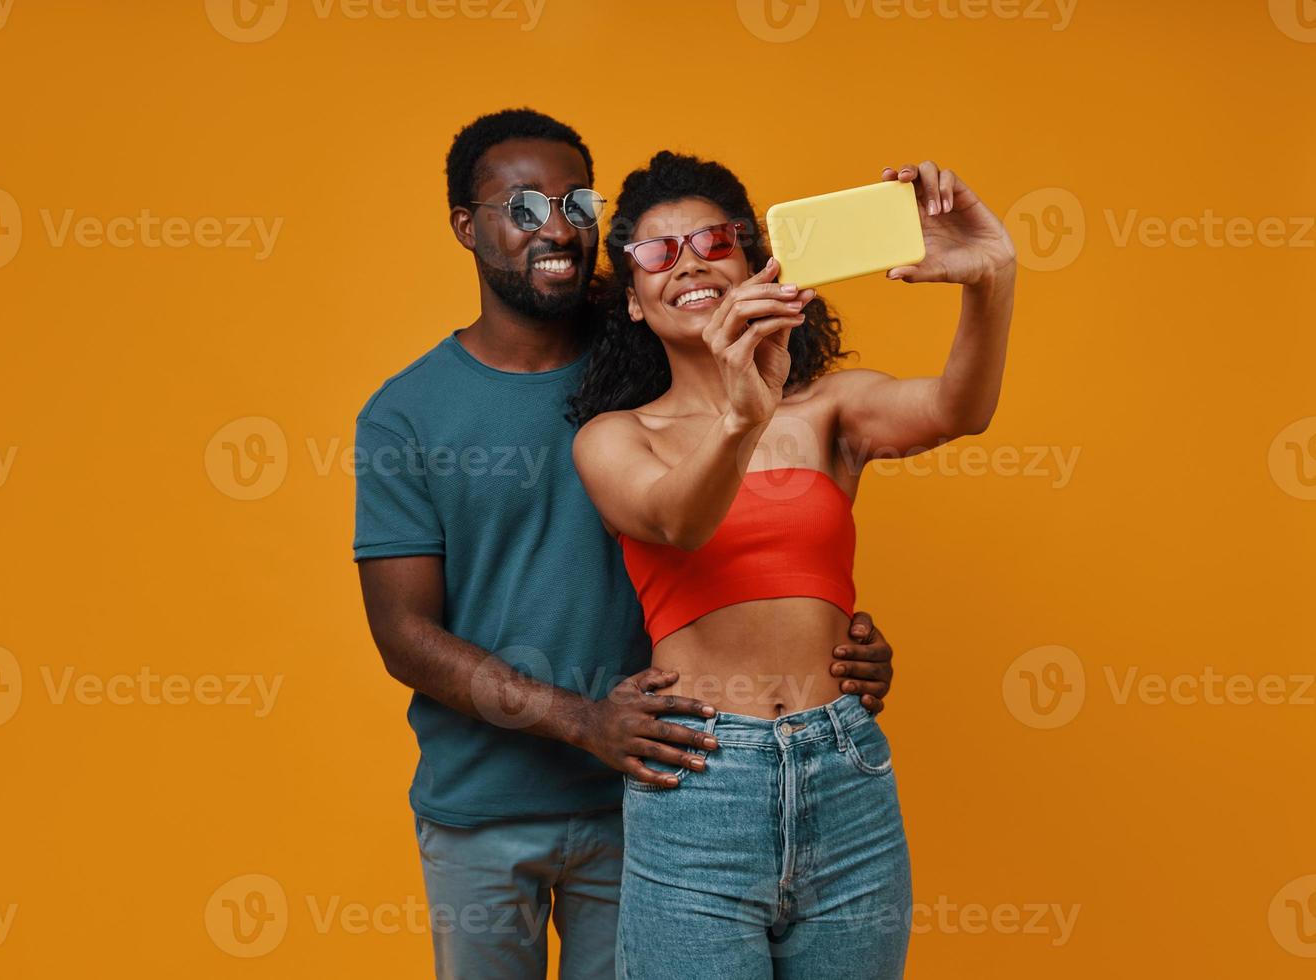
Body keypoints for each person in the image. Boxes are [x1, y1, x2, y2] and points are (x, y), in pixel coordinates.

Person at [353, 109, 900, 980]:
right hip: (486, 804)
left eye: (578, 200)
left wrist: (829, 646)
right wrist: (585, 721)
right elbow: (403, 635)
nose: (559, 226)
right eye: (523, 207)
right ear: (466, 226)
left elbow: (765, 513)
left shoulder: (665, 345)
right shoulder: (405, 415)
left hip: (663, 791)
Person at [569, 151, 1016, 978]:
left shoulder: (829, 411)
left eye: (714, 241)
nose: (692, 263)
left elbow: (962, 408)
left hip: (843, 772)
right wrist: (742, 413)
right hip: (701, 785)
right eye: (658, 254)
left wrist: (990, 279)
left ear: (757, 264)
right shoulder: (616, 439)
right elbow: (677, 520)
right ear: (631, 302)